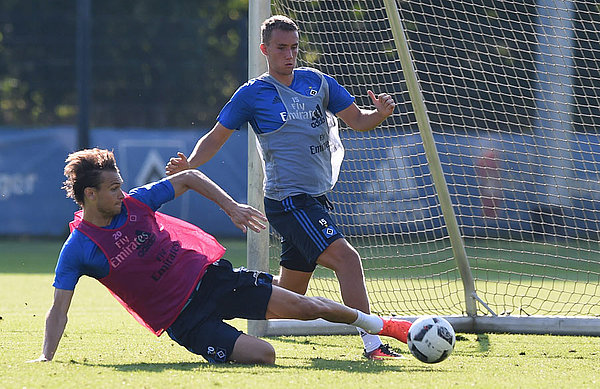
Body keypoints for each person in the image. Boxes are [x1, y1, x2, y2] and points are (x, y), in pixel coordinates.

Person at [29, 148, 411, 365]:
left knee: (307, 306)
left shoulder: (136, 202)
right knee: (265, 355)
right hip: (185, 320)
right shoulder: (79, 248)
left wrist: (232, 207)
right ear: (90, 195)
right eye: (112, 189)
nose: (121, 193)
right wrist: (47, 359)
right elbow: (59, 309)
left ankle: (382, 327)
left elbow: (190, 177)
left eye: (121, 186)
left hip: (213, 280)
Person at [166, 15, 400, 359]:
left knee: (290, 295)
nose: (289, 55)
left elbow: (359, 120)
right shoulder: (252, 94)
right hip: (290, 202)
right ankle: (374, 345)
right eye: (281, 48)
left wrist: (379, 113)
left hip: (315, 200)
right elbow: (215, 138)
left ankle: (213, 298)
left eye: (294, 48)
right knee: (347, 260)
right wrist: (190, 166)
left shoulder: (318, 82)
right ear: (265, 50)